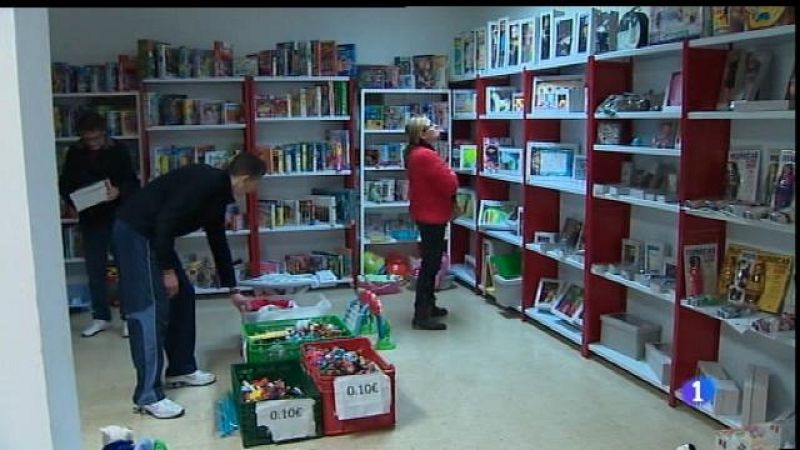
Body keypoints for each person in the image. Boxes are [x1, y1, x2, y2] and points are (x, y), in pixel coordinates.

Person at [112, 152, 265, 419]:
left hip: (156, 238)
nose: (255, 190)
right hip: (137, 233)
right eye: (256, 183)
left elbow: (218, 241)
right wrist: (167, 270)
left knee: (184, 295)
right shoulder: (204, 182)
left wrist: (233, 289)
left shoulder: (218, 194)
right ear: (244, 179)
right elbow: (163, 224)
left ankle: (180, 368)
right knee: (149, 310)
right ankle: (148, 395)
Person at [59, 111, 140, 338]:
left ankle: (128, 316)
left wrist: (119, 191)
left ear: (104, 134)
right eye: (88, 139)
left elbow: (132, 182)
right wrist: (71, 202)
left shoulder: (119, 150)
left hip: (117, 215)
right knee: (95, 269)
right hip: (90, 217)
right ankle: (100, 316)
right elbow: (65, 182)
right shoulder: (75, 153)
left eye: (96, 139)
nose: (93, 143)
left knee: (126, 267)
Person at [404, 116, 458, 331]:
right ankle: (421, 315)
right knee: (430, 265)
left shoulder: (413, 153)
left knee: (431, 261)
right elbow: (451, 183)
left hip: (424, 212)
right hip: (432, 214)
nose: (437, 129)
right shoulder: (426, 155)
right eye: (431, 127)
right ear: (422, 134)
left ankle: (429, 305)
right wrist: (450, 172)